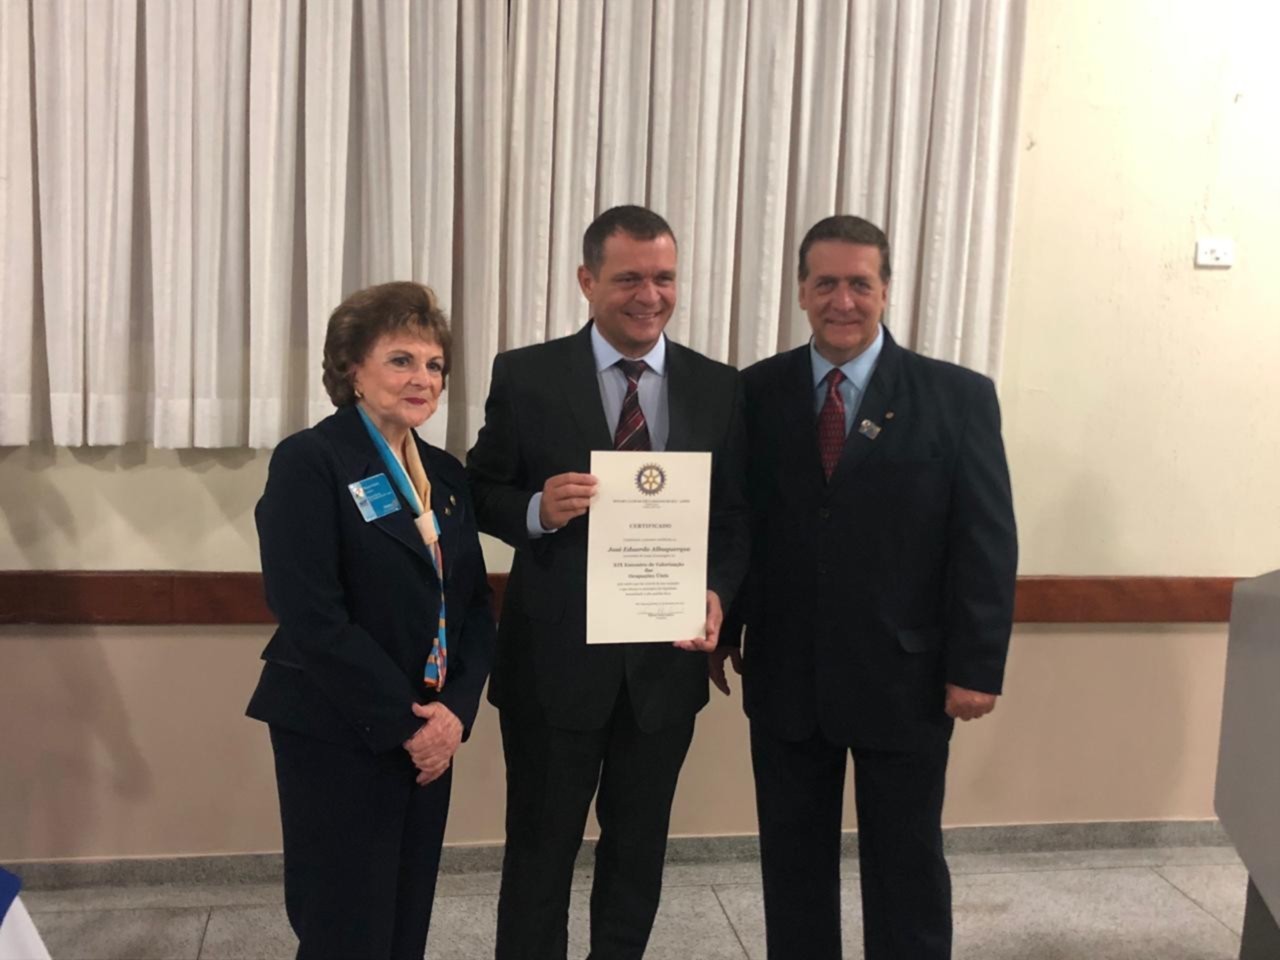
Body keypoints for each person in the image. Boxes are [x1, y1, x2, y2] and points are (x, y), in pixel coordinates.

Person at [715, 215, 1018, 960]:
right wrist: (722, 624)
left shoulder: (957, 396)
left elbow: (984, 541)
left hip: (907, 680)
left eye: (860, 283)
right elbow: (739, 520)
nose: (842, 301)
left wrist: (976, 666)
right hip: (787, 677)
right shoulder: (754, 392)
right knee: (792, 868)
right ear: (800, 291)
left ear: (886, 290)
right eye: (826, 284)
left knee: (907, 867)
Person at [466, 205, 749, 959]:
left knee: (637, 853)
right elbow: (480, 489)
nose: (649, 296)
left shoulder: (719, 387)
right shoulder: (526, 375)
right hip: (552, 669)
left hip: (663, 669)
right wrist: (536, 508)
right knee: (539, 853)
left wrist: (718, 592)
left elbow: (734, 519)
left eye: (664, 278)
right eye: (628, 279)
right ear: (588, 280)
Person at [246, 282, 496, 960]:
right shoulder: (311, 461)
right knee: (344, 925)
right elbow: (309, 614)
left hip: (431, 728)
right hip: (338, 728)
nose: (423, 379)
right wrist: (406, 724)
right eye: (401, 360)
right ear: (352, 367)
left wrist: (454, 714)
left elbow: (473, 607)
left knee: (405, 917)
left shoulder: (445, 475)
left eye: (435, 364)